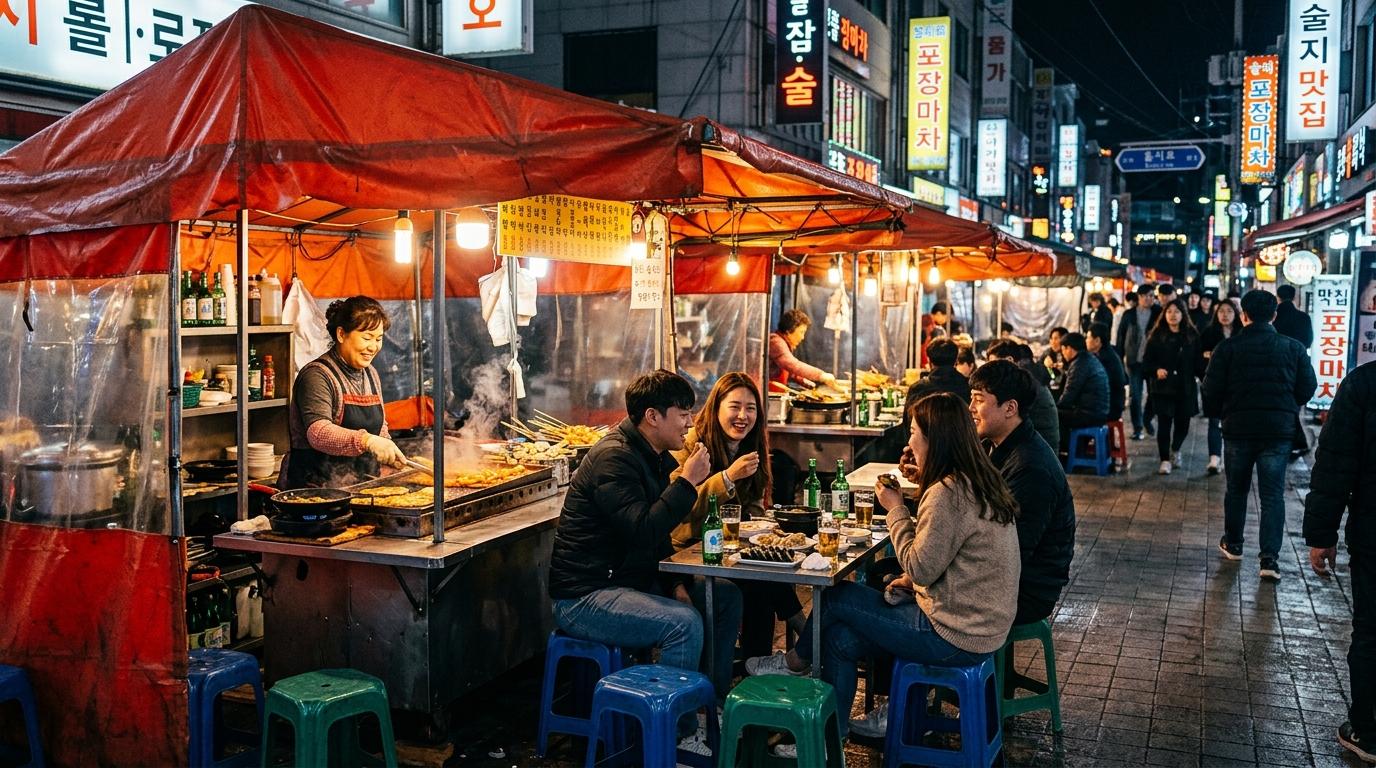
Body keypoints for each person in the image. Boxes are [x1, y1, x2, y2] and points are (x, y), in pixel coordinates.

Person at [744, 393, 1020, 745]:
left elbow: (919, 566)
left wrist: (895, 507)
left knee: (836, 596)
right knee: (839, 638)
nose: (908, 441)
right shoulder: (977, 480)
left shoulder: (947, 493)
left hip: (954, 635)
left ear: (935, 440)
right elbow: (949, 561)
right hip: (983, 627)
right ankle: (832, 734)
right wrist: (913, 582)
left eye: (914, 432)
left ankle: (795, 661)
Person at [548, 370, 743, 713]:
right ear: (652, 416)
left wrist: (676, 583)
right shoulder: (615, 459)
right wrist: (687, 482)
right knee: (682, 623)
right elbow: (642, 531)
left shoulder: (650, 455)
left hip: (628, 580)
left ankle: (710, 704)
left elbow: (658, 537)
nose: (689, 422)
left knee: (724, 595)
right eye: (682, 414)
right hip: (585, 595)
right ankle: (675, 730)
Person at [670, 373, 802, 660]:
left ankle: (759, 661)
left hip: (730, 551)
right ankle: (795, 633)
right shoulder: (690, 444)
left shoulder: (750, 444)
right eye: (735, 406)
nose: (743, 416)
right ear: (716, 406)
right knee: (758, 582)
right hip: (688, 552)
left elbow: (752, 506)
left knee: (768, 569)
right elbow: (679, 507)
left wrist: (764, 526)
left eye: (751, 408)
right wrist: (727, 478)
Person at [968, 362, 1075, 693]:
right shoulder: (1000, 446)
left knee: (904, 597)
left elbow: (1012, 550)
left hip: (1027, 589)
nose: (970, 408)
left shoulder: (1031, 467)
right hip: (1011, 576)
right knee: (894, 577)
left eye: (978, 399)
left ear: (1009, 408)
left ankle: (908, 702)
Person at [1203, 290, 1317, 581]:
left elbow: (1210, 390)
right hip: (1277, 432)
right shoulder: (1292, 348)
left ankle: (1234, 543)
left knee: (1237, 489)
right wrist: (1288, 405)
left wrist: (1223, 413)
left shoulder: (1227, 349)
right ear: (1274, 315)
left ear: (1244, 316)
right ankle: (1269, 559)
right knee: (1272, 495)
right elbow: (1307, 388)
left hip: (1238, 430)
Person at [1302, 361, 1376, 763]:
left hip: (1372, 535)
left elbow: (1334, 465)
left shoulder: (1363, 385)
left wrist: (1321, 534)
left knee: (1371, 631)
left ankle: (1367, 729)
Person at [282, 296, 406, 488]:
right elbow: (319, 433)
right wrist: (367, 441)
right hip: (316, 492)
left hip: (362, 488)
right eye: (367, 338)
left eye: (378, 339)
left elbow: (379, 427)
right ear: (341, 334)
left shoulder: (371, 373)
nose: (373, 347)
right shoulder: (317, 376)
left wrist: (388, 450)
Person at [1142, 299, 1200, 475]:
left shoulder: (1192, 336)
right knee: (1165, 424)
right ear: (1164, 315)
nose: (1172, 315)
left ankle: (1176, 449)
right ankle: (1164, 459)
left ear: (1183, 314)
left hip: (1185, 387)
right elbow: (1146, 362)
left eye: (1176, 312)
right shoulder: (1156, 336)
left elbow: (1198, 361)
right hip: (1163, 388)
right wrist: (1156, 370)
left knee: (1183, 424)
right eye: (1169, 312)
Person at [985, 339, 1060, 449]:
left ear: (1009, 360)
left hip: (1041, 446)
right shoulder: (1027, 373)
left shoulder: (1021, 381)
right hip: (1043, 440)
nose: (993, 372)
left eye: (995, 365)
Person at [1198, 300, 1242, 475]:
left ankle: (1232, 458)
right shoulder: (1209, 333)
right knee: (1214, 421)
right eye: (1221, 311)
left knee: (1234, 422)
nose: (1225, 315)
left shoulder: (1242, 334)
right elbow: (1199, 356)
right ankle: (1215, 458)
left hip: (1237, 386)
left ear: (1236, 313)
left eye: (1229, 311)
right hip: (1214, 385)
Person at [1274, 284, 1315, 458]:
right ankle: (1296, 441)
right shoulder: (1303, 317)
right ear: (1295, 296)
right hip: (1298, 362)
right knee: (1293, 404)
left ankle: (1294, 440)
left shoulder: (1274, 317)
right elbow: (1308, 340)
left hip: (1277, 363)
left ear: (1278, 297)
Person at [1117, 284, 1162, 440]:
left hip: (1152, 362)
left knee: (1154, 395)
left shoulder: (1158, 312)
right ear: (1139, 297)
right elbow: (1121, 336)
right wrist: (1120, 358)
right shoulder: (1129, 314)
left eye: (1150, 296)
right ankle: (1137, 428)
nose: (1148, 299)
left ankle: (1147, 419)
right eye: (1144, 296)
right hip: (1133, 361)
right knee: (1135, 396)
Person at [1055, 332, 1110, 452]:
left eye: (1063, 349)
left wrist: (1053, 407)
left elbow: (1069, 395)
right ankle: (1076, 450)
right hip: (1099, 411)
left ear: (1070, 348)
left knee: (1054, 415)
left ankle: (1068, 452)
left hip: (1091, 414)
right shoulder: (1088, 359)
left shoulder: (1079, 364)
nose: (1063, 353)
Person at [768, 309, 836, 391]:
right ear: (789, 331)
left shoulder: (783, 343)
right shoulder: (776, 342)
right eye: (801, 332)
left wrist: (805, 382)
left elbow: (791, 372)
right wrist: (821, 375)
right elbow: (793, 365)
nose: (802, 337)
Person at [905, 338, 971, 413]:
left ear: (929, 361)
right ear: (956, 361)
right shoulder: (967, 386)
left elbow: (907, 422)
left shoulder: (917, 389)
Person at [1087, 322, 1127, 426]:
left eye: (1088, 338)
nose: (1086, 341)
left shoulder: (1105, 359)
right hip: (1111, 405)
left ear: (1097, 341)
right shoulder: (1106, 353)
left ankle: (1096, 441)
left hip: (1110, 409)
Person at [920, 302, 951, 367]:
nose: (946, 320)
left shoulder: (932, 325)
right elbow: (923, 347)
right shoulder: (931, 325)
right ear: (938, 314)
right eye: (945, 317)